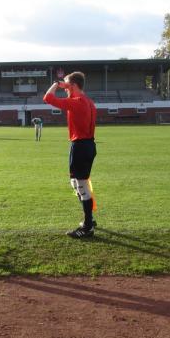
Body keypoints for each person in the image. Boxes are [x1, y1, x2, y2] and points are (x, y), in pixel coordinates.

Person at [43, 71, 97, 238]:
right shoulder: (88, 101)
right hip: (88, 145)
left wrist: (57, 84)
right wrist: (66, 85)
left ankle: (88, 226)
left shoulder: (77, 102)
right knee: (78, 183)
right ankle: (90, 219)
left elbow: (48, 98)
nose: (65, 89)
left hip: (80, 146)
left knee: (80, 185)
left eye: (67, 86)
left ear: (73, 86)